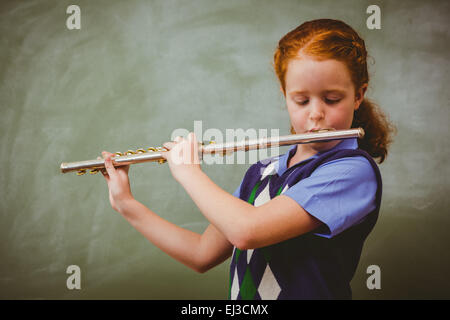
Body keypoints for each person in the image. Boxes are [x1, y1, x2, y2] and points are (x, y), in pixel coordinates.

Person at [98, 19, 395, 300]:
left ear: (358, 95)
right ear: (285, 96)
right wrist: (127, 204)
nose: (315, 114)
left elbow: (247, 231)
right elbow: (202, 254)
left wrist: (188, 172)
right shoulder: (262, 171)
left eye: (331, 99)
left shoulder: (352, 171)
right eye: (301, 100)